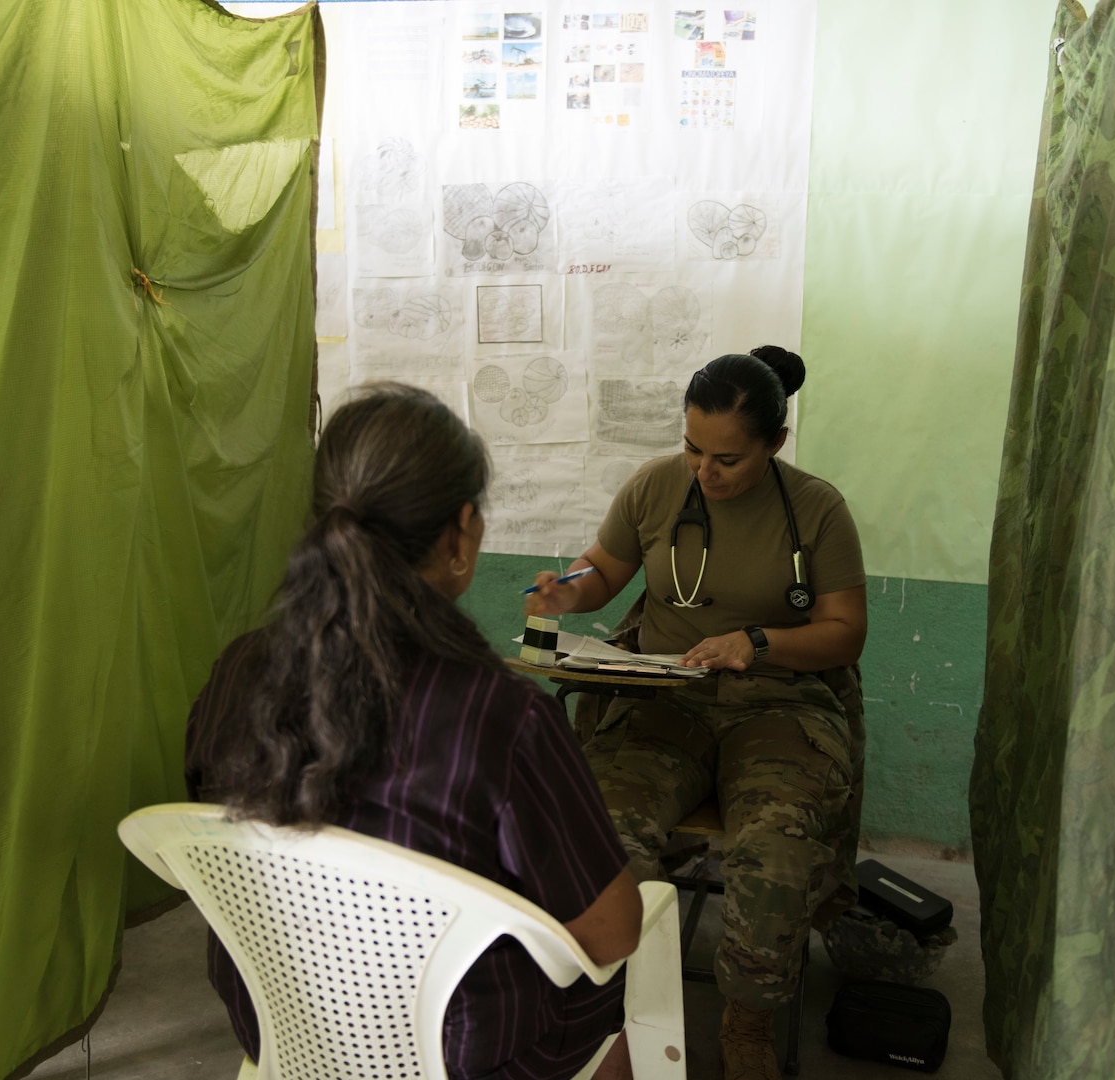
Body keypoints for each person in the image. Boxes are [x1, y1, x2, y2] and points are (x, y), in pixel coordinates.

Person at [184, 384, 643, 1080]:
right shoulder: (504, 714)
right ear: (460, 535)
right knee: (627, 998)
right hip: (464, 1055)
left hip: (282, 1027)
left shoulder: (239, 671)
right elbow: (611, 931)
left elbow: (213, 836)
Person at [525, 347, 868, 1080]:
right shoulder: (656, 487)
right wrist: (566, 591)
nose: (704, 473)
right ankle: (614, 1008)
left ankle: (747, 1022)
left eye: (728, 459)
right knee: (603, 840)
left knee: (774, 852)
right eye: (692, 449)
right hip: (663, 699)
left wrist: (758, 641)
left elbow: (846, 631)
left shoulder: (816, 509)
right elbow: (602, 571)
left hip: (778, 705)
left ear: (774, 444)